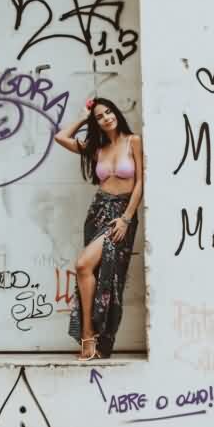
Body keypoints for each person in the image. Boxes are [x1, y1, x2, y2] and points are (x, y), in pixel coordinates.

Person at [53, 97, 143, 360]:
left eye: (109, 112)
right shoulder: (97, 149)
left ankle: (92, 337)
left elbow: (139, 184)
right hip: (98, 213)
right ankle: (88, 336)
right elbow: (61, 137)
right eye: (100, 116)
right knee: (87, 269)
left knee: (90, 268)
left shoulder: (133, 141)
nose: (106, 118)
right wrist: (83, 116)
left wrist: (126, 218)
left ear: (116, 113)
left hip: (121, 215)